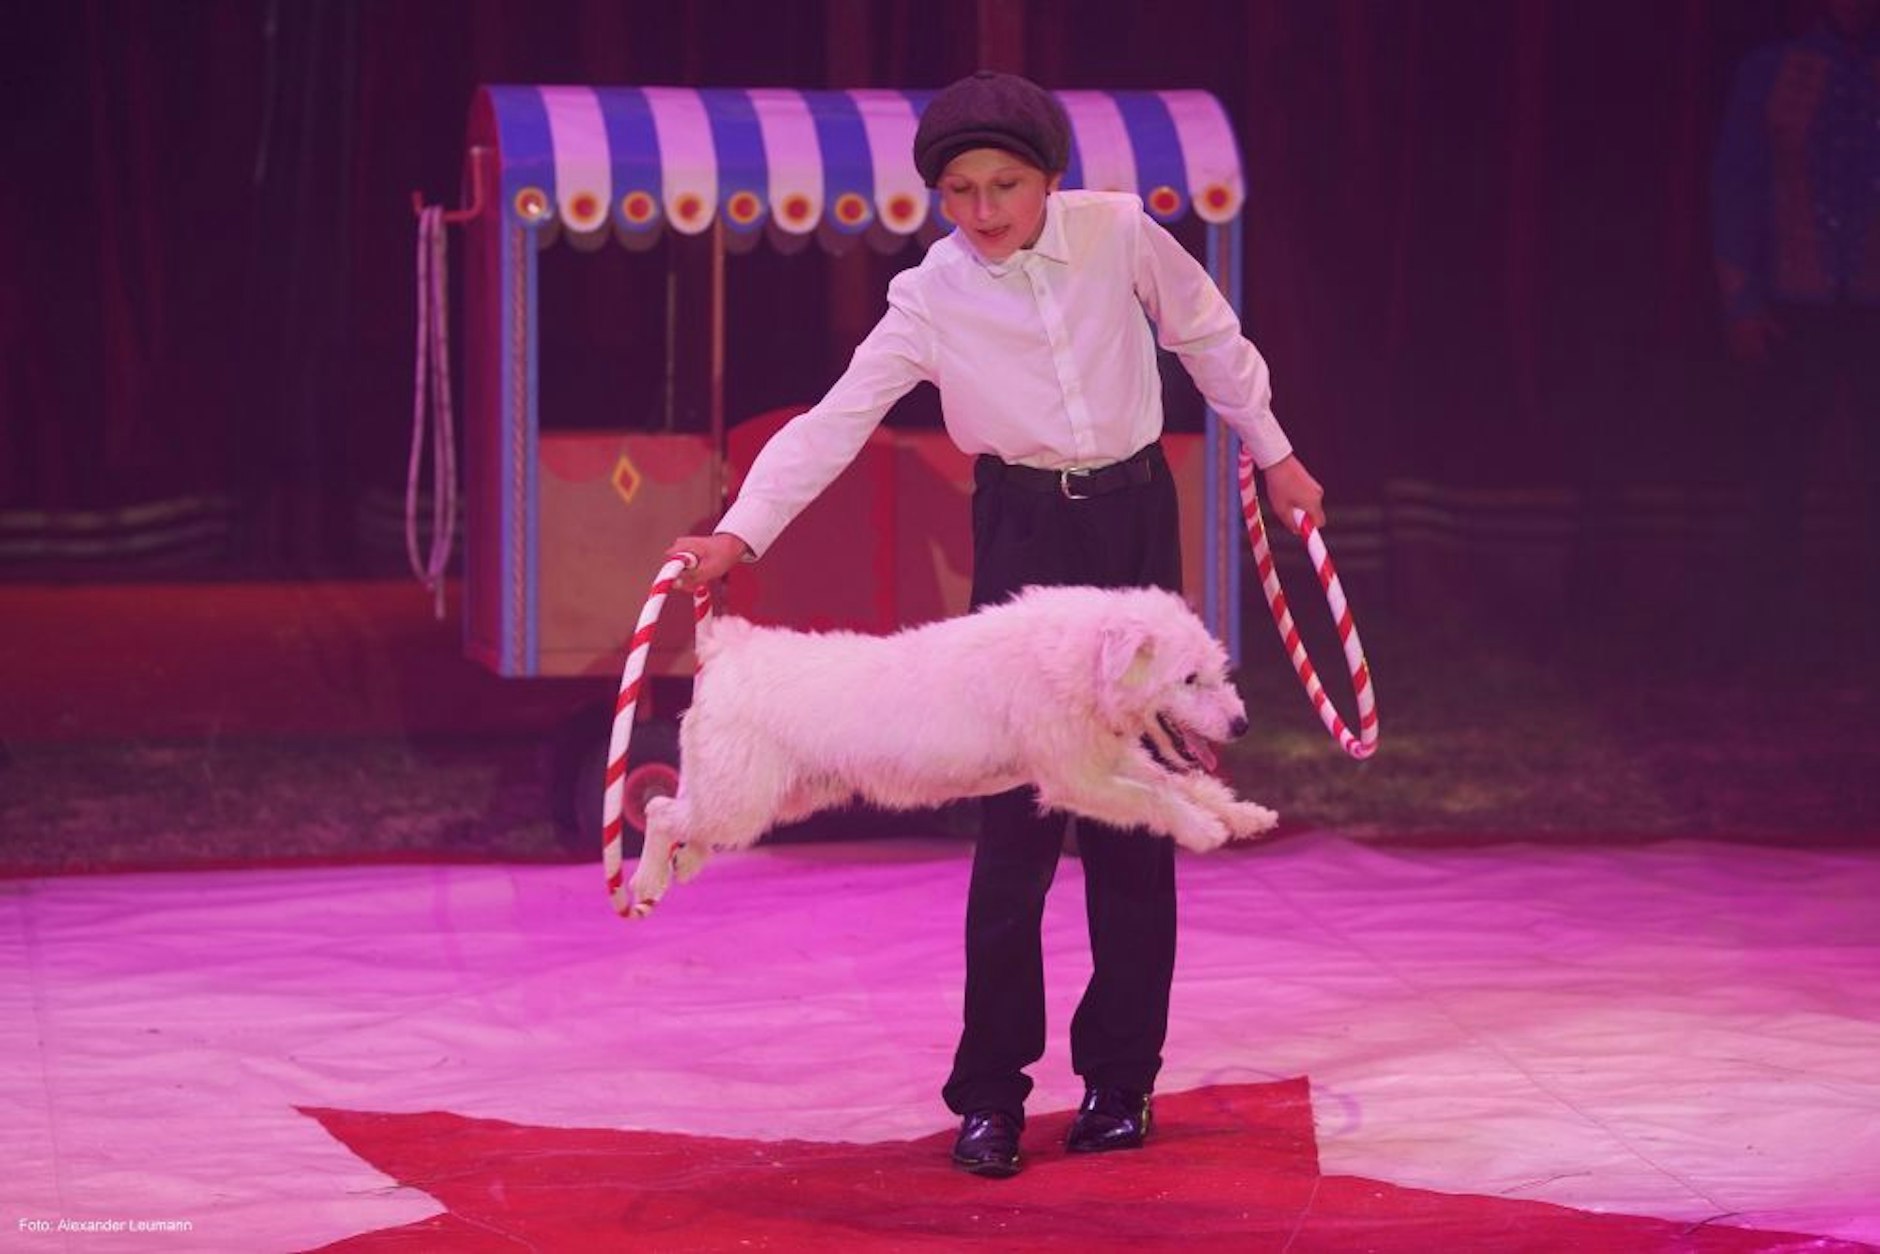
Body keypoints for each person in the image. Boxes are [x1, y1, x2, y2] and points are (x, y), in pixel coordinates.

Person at [667, 70, 1325, 1177]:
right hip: (1022, 534)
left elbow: (1208, 336)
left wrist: (1275, 453)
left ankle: (1121, 1082)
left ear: (1049, 179)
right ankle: (991, 1095)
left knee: (1133, 809)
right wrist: (736, 535)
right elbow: (835, 422)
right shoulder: (929, 295)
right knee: (1015, 816)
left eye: (1004, 187)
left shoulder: (1117, 235)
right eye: (959, 192)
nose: (982, 211)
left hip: (1129, 523)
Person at [1710, 0, 1880, 657]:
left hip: (1871, 303)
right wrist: (1741, 298)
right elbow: (1737, 183)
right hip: (1796, 301)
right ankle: (1767, 629)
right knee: (1781, 468)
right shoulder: (1773, 71)